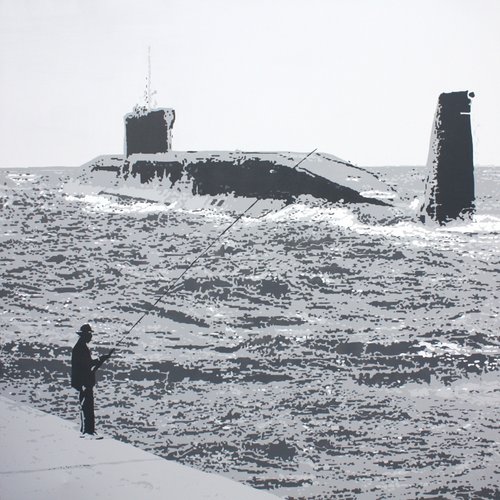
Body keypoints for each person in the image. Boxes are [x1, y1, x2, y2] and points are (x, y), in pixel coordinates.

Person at [71, 324, 113, 438]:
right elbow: (87, 366)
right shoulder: (80, 348)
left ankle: (88, 431)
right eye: (89, 334)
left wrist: (100, 359)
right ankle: (87, 432)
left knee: (87, 407)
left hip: (84, 382)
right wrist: (100, 359)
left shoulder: (81, 347)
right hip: (84, 383)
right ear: (84, 335)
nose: (91, 336)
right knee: (87, 407)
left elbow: (88, 365)